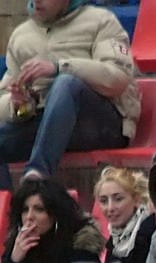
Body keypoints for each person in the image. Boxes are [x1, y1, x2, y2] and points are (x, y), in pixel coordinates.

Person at [0, 0, 139, 190]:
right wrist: (19, 105)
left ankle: (36, 178)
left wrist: (59, 67)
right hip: (44, 121)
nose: (36, 1)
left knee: (66, 83)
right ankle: (7, 205)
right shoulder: (21, 36)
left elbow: (118, 77)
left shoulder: (101, 21)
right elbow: (4, 95)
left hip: (99, 123)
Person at [94, 166, 156, 263]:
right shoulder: (114, 241)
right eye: (104, 201)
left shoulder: (152, 232)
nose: (110, 208)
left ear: (136, 199)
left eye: (118, 199)